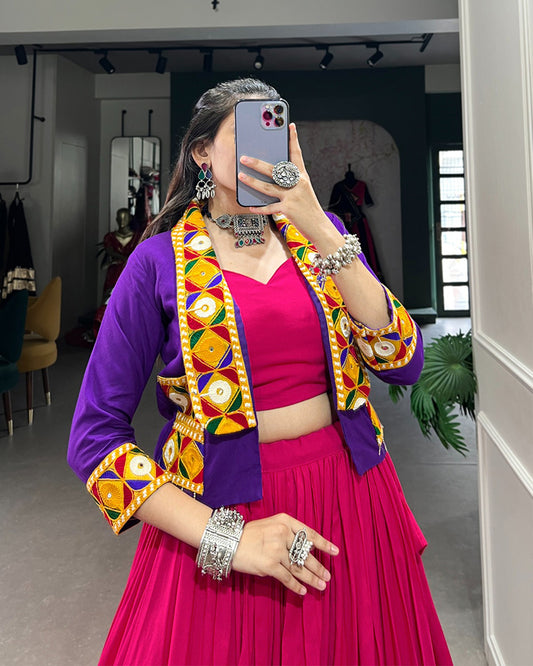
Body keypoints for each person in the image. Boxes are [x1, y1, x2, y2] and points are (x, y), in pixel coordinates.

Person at [68, 78, 453, 666]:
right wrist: (230, 540)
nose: (262, 152)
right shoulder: (157, 262)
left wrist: (318, 222)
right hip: (224, 506)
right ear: (202, 153)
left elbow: (403, 361)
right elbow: (94, 438)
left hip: (352, 493)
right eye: (244, 132)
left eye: (273, 133)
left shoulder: (319, 239)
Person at [93, 208, 141, 338]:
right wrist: (125, 259)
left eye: (125, 217)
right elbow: (110, 252)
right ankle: (107, 333)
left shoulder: (137, 237)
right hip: (114, 274)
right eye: (119, 217)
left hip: (130, 274)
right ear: (116, 219)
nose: (122, 221)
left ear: (130, 218)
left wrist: (123, 259)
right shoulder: (110, 237)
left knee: (130, 302)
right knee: (108, 301)